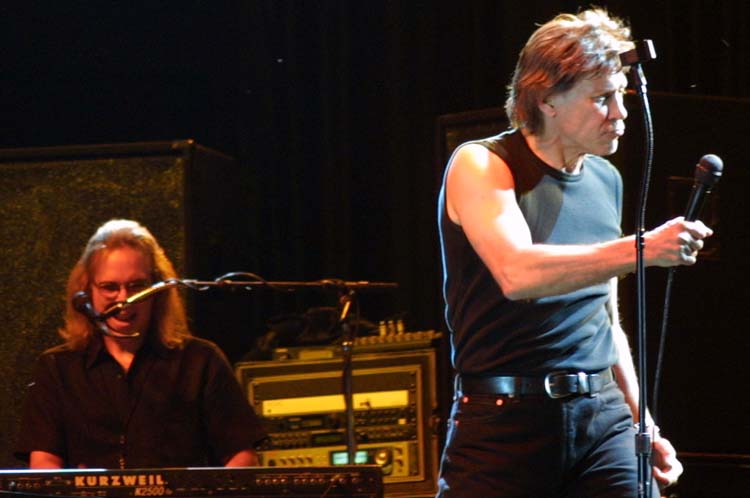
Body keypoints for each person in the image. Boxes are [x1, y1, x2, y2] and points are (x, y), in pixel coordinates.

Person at [436, 9, 708, 498]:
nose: (619, 113)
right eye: (602, 98)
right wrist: (643, 248)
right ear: (547, 100)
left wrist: (642, 420)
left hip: (603, 417)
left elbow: (606, 318)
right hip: (504, 422)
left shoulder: (606, 179)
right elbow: (517, 273)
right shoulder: (484, 164)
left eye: (621, 95)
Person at [15, 219, 267, 469]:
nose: (124, 299)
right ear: (86, 292)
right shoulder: (57, 367)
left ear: (158, 290)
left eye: (137, 286)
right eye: (109, 287)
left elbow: (241, 455)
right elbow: (44, 461)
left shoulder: (201, 360)